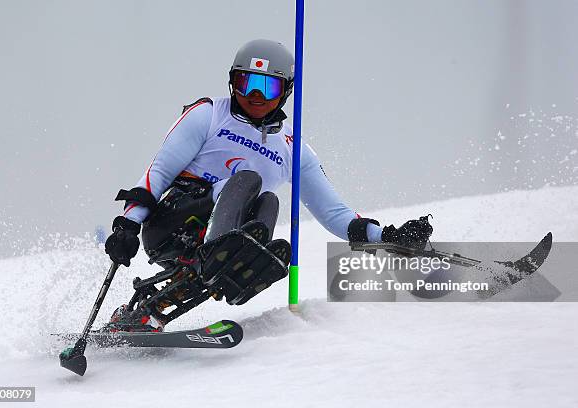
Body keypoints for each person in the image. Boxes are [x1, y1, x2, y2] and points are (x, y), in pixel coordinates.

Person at [104, 39, 433, 331]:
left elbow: (335, 213)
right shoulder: (208, 114)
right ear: (233, 83)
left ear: (286, 90)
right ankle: (221, 251)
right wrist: (127, 226)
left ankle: (151, 312)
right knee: (250, 181)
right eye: (247, 83)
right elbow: (157, 174)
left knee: (269, 202)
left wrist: (386, 237)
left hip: (222, 242)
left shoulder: (293, 149)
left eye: (269, 87)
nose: (257, 96)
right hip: (174, 222)